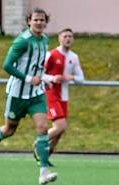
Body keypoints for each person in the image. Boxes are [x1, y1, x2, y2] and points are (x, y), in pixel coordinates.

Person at [0, 7, 58, 185]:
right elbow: (7, 65)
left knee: (43, 128)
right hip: (17, 94)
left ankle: (43, 172)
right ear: (29, 21)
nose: (39, 23)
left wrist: (46, 78)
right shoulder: (22, 41)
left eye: (42, 20)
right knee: (9, 130)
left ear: (46, 22)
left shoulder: (44, 40)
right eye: (36, 20)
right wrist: (29, 78)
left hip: (36, 94)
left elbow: (37, 67)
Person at [38, 28, 85, 166]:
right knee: (60, 126)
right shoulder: (51, 55)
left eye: (70, 36)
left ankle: (44, 159)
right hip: (51, 94)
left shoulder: (74, 57)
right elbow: (39, 74)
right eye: (65, 36)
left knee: (60, 132)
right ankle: (39, 142)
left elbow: (81, 79)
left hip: (64, 96)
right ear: (59, 38)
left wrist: (71, 77)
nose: (68, 39)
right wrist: (53, 78)